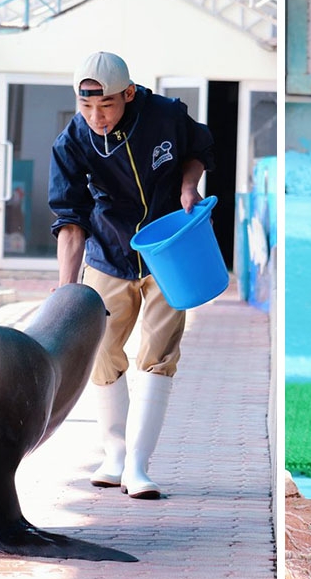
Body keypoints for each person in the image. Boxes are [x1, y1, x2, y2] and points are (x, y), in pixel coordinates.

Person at [49, 51, 215, 500]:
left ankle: (139, 466)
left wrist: (188, 184)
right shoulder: (72, 141)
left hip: (169, 251)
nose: (96, 116)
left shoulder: (164, 115)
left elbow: (199, 150)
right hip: (109, 252)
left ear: (128, 93)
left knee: (157, 353)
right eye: (86, 107)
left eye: (105, 105)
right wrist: (68, 290)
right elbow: (69, 219)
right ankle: (115, 454)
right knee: (100, 347)